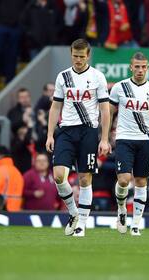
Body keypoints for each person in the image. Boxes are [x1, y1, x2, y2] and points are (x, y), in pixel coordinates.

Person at [46, 38, 110, 237]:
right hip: (65, 131)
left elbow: (105, 110)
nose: (79, 60)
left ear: (88, 55)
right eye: (75, 56)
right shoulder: (63, 77)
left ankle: (81, 224)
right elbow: (55, 106)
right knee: (58, 176)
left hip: (88, 131)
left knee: (84, 178)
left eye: (82, 56)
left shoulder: (97, 77)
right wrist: (50, 134)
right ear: (71, 54)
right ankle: (73, 213)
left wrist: (105, 138)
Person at [109, 51, 149, 236]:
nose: (140, 70)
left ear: (147, 68)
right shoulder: (119, 87)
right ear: (131, 67)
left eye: (143, 67)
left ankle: (136, 224)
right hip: (124, 139)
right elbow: (109, 112)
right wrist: (104, 138)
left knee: (141, 182)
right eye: (137, 67)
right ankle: (122, 209)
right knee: (124, 180)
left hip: (145, 140)